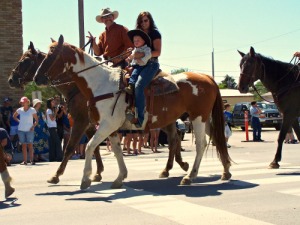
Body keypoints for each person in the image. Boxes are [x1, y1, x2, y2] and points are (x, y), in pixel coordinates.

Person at [130, 11, 162, 128]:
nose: (143, 23)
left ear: (150, 21)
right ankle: (130, 110)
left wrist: (142, 55)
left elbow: (158, 52)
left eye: (145, 20)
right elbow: (134, 51)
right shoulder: (138, 35)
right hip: (138, 64)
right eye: (141, 21)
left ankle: (140, 118)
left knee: (139, 85)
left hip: (151, 64)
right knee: (128, 83)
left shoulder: (155, 33)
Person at [124, 29, 152, 95]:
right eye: (134, 41)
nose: (136, 42)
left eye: (138, 40)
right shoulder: (135, 49)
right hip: (134, 65)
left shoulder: (147, 49)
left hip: (141, 66)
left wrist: (140, 60)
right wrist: (128, 58)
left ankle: (131, 86)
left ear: (144, 41)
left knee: (134, 73)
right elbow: (131, 57)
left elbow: (148, 56)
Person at [13, 97, 39, 165]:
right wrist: (19, 121)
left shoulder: (32, 110)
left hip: (29, 130)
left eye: (24, 102)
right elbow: (14, 116)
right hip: (21, 130)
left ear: (27, 102)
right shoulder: (19, 110)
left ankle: (31, 160)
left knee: (30, 145)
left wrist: (33, 126)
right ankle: (24, 161)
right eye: (22, 102)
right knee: (23, 146)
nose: (22, 103)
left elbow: (36, 120)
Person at [46, 97, 63, 162]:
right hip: (51, 128)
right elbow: (52, 119)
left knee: (52, 143)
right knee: (57, 142)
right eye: (52, 102)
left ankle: (52, 157)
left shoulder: (51, 110)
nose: (54, 103)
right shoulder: (49, 110)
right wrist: (55, 112)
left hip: (53, 127)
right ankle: (59, 157)